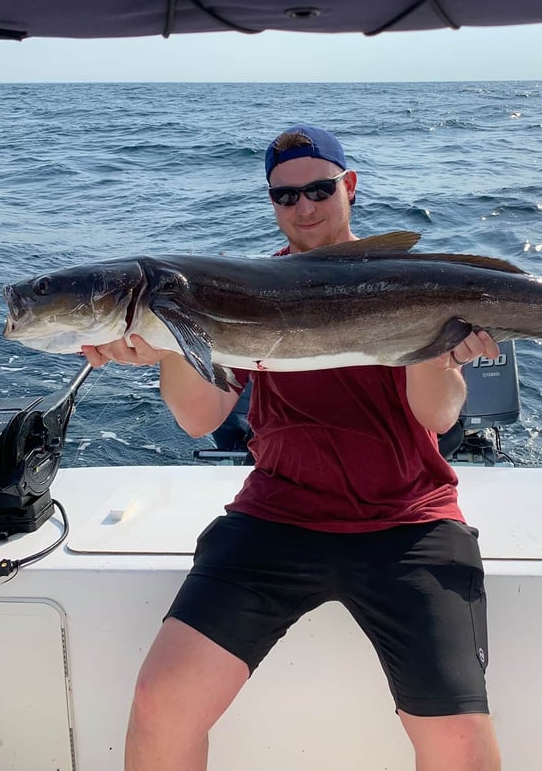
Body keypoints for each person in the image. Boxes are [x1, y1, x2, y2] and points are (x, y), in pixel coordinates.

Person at [83, 124, 502, 771]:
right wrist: (168, 340)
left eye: (319, 189)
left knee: (462, 747)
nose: (304, 208)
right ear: (270, 204)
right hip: (277, 515)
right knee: (159, 702)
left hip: (408, 522)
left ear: (350, 187)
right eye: (285, 197)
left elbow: (438, 416)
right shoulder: (243, 289)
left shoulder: (413, 279)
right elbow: (200, 418)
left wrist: (440, 344)